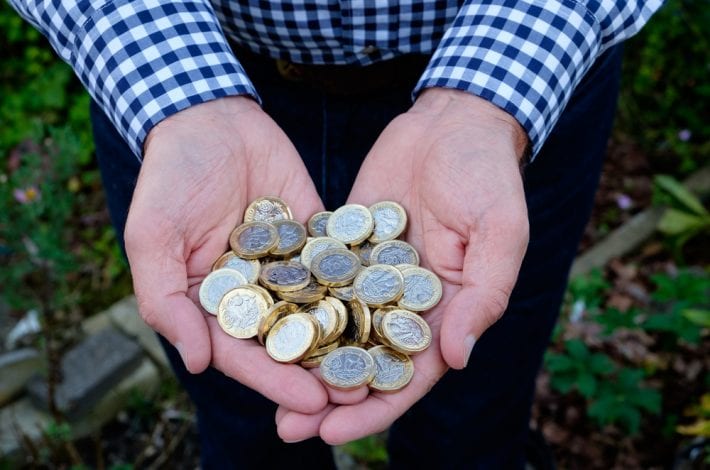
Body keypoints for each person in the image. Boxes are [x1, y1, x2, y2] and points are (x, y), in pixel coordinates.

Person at [10, 0, 663, 467]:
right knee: (247, 430)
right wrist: (180, 97)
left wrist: (487, 98)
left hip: (513, 87)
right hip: (183, 97)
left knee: (474, 417)